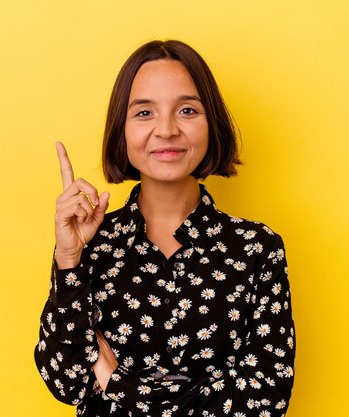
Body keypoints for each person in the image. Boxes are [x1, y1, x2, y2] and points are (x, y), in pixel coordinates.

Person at [34, 39, 296, 417]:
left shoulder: (257, 248)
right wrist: (69, 260)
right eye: (144, 113)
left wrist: (115, 382)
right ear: (120, 130)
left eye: (187, 110)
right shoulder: (89, 246)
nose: (167, 129)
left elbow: (263, 402)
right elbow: (66, 381)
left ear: (212, 123)